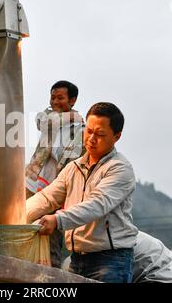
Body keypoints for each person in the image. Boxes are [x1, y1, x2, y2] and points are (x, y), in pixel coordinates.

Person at [26, 102, 138, 282]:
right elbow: (47, 198)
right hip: (77, 260)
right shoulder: (74, 167)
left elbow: (96, 205)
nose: (91, 139)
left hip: (110, 261)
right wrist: (17, 214)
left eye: (100, 134)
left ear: (117, 136)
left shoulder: (119, 169)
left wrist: (57, 219)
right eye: (89, 131)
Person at [25, 80, 85, 268]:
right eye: (52, 97)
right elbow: (41, 122)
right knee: (22, 228)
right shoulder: (48, 118)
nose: (55, 101)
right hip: (32, 183)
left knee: (49, 237)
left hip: (57, 191)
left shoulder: (80, 131)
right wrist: (69, 117)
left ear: (73, 100)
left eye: (60, 98)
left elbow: (70, 158)